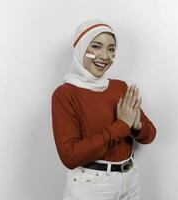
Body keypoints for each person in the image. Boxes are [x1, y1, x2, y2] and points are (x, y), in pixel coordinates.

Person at [51, 19, 157, 200]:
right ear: (81, 48)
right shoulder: (65, 94)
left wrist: (137, 127)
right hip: (92, 187)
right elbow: (70, 156)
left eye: (111, 49)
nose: (105, 56)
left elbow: (150, 135)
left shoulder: (120, 87)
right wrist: (122, 125)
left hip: (130, 180)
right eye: (96, 46)